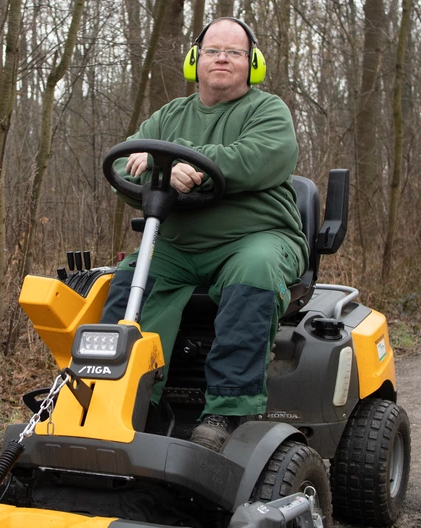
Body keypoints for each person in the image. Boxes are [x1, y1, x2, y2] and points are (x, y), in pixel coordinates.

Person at [99, 18, 309, 452]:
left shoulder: (267, 111)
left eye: (234, 52)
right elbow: (124, 164)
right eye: (213, 50)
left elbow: (257, 157)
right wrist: (158, 168)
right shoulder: (169, 115)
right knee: (129, 281)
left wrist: (183, 163)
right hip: (179, 246)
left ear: (252, 64)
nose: (222, 59)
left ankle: (227, 411)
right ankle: (127, 401)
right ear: (195, 60)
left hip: (257, 238)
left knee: (254, 269)